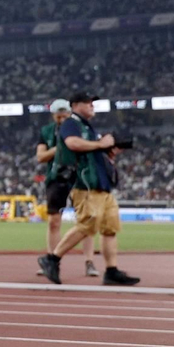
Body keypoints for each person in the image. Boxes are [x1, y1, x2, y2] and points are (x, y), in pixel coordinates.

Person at [37, 93, 139, 286]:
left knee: (110, 228)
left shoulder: (86, 127)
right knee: (87, 225)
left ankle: (111, 270)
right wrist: (100, 144)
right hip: (86, 183)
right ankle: (52, 259)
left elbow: (90, 149)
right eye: (88, 103)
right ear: (75, 105)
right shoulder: (71, 123)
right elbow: (72, 143)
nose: (92, 105)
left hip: (102, 184)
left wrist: (108, 150)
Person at [36, 99, 99, 278]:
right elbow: (40, 156)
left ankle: (89, 262)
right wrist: (61, 147)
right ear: (53, 115)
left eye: (65, 115)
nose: (62, 119)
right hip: (56, 178)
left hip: (80, 178)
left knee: (85, 221)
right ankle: (52, 260)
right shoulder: (47, 131)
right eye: (58, 116)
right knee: (54, 221)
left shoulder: (81, 128)